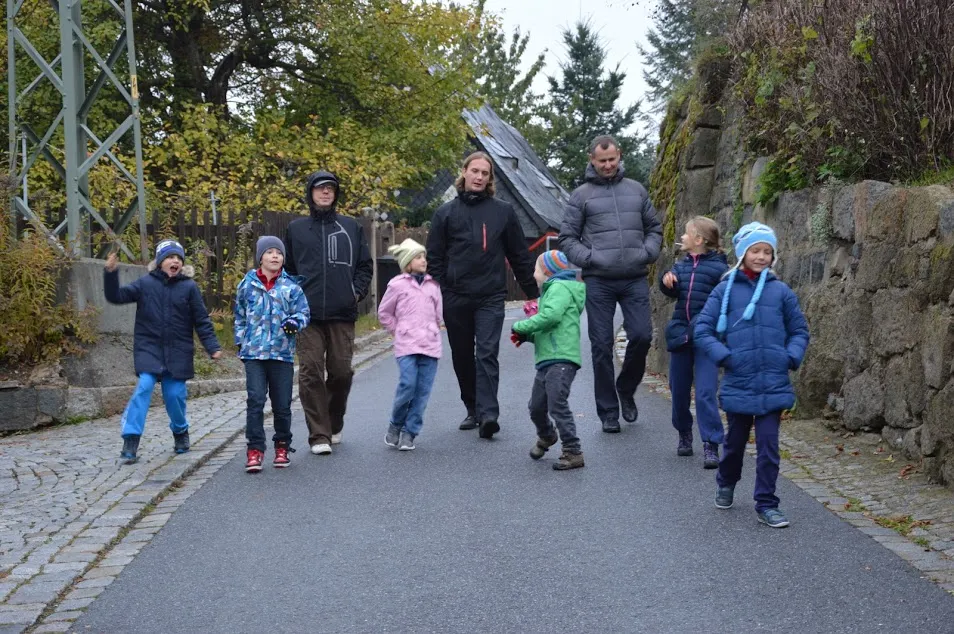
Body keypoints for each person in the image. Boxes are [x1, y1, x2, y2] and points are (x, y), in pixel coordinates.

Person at [694, 222, 810, 528]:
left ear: (773, 256)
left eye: (767, 251)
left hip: (774, 382)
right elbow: (702, 329)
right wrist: (725, 357)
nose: (761, 257)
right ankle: (726, 481)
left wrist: (790, 356)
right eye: (755, 250)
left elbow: (799, 331)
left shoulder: (781, 291)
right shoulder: (724, 289)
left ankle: (767, 503)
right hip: (739, 381)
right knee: (734, 444)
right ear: (742, 253)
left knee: (769, 447)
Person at [426, 151, 539, 440]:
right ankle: (472, 408)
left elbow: (519, 255)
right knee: (462, 355)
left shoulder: (503, 212)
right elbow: (434, 259)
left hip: (490, 296)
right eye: (474, 171)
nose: (478, 177)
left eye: (484, 173)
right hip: (455, 295)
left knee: (487, 353)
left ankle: (489, 414)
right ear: (463, 172)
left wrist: (533, 295)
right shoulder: (445, 213)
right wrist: (437, 295)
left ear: (490, 179)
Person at [558, 135, 663, 434]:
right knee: (601, 346)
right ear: (592, 159)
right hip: (599, 281)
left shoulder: (636, 190)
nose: (607, 165)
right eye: (601, 161)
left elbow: (654, 228)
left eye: (612, 160)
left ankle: (626, 388)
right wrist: (589, 259)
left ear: (619, 157)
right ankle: (608, 411)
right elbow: (567, 238)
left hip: (634, 278)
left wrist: (647, 253)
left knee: (642, 336)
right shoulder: (581, 195)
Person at [104, 239, 222, 464]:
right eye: (169, 257)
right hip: (149, 348)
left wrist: (213, 347)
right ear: (160, 262)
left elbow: (202, 320)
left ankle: (180, 431)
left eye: (178, 258)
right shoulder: (145, 284)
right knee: (144, 388)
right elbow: (116, 296)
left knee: (174, 395)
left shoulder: (189, 287)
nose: (174, 261)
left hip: (178, 351)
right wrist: (111, 274)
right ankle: (131, 438)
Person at [284, 170, 373, 456]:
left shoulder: (350, 227)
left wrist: (354, 293)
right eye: (320, 188)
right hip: (306, 314)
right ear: (310, 193)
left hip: (341, 312)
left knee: (341, 372)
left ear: (336, 194)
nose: (325, 192)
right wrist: (292, 300)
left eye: (330, 189)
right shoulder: (296, 230)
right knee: (310, 371)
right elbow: (288, 270)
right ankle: (318, 434)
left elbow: (364, 266)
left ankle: (334, 421)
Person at [234, 236, 310, 473]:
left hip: (281, 353)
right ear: (260, 257)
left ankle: (282, 445)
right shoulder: (246, 285)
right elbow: (239, 315)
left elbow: (304, 313)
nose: (275, 256)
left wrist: (294, 323)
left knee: (282, 404)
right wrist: (241, 341)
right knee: (255, 400)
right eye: (270, 252)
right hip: (254, 353)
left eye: (279, 253)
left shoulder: (291, 287)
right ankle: (255, 449)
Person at [659, 217, 728, 468]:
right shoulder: (682, 265)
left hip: (706, 338)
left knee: (706, 392)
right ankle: (684, 433)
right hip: (680, 335)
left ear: (699, 240)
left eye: (687, 234)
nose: (683, 237)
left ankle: (711, 443)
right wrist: (666, 280)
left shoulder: (720, 270)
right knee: (678, 389)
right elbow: (671, 286)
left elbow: (724, 304)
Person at [511, 250, 587, 470]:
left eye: (535, 270)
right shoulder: (551, 291)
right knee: (536, 406)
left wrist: (521, 326)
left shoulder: (559, 288)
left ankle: (573, 451)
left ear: (546, 271)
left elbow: (551, 317)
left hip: (561, 358)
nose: (534, 275)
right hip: (548, 358)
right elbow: (550, 329)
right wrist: (528, 336)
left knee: (557, 404)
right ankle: (547, 435)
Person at [377, 239, 442, 451]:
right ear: (407, 262)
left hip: (430, 345)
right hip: (406, 345)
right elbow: (384, 313)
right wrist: (399, 330)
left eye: (424, 256)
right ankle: (396, 423)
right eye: (418, 257)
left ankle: (410, 432)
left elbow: (438, 315)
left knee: (422, 391)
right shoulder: (397, 285)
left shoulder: (433, 286)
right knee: (407, 385)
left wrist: (431, 328)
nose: (423, 260)